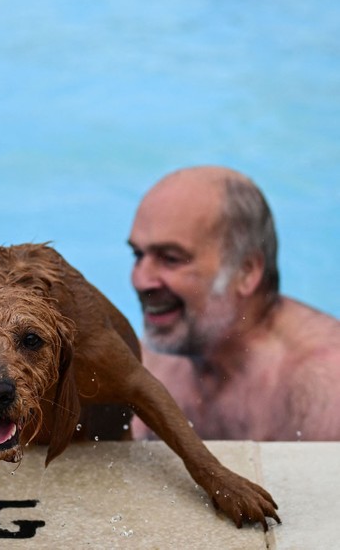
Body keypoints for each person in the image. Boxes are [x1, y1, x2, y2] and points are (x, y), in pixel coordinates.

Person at [128, 166, 340, 441]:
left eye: (170, 258)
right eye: (138, 254)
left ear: (246, 271)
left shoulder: (322, 386)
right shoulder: (154, 361)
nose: (141, 280)